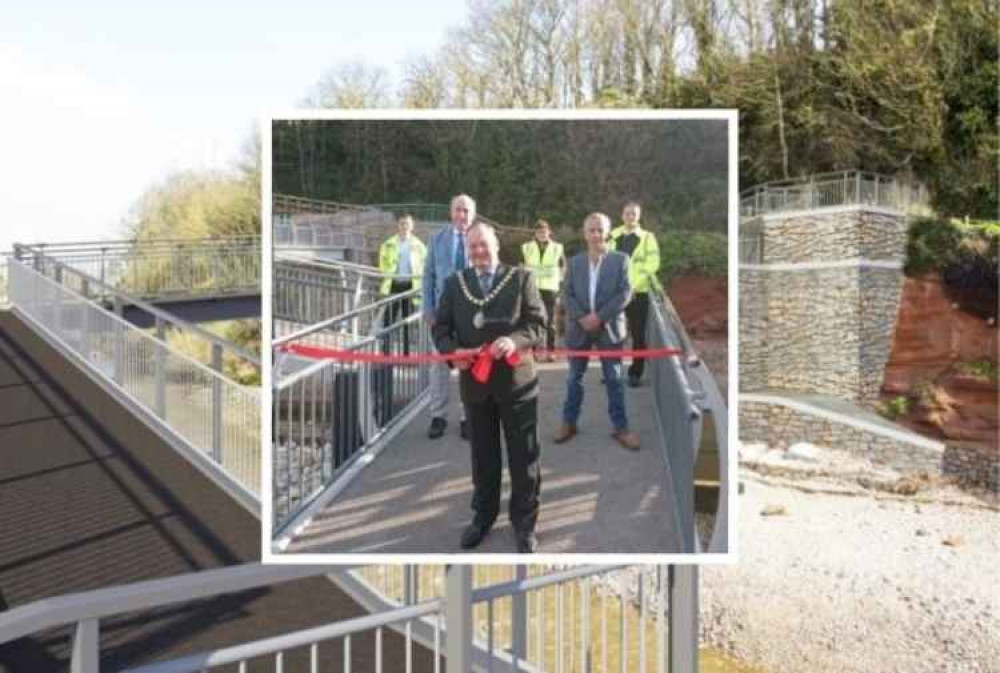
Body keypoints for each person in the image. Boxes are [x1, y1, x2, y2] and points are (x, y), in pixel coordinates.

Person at [432, 222, 546, 553]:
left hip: (518, 384)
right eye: (473, 247)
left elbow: (538, 324)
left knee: (524, 457)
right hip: (475, 385)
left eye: (484, 244)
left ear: (496, 243)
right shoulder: (455, 284)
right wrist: (453, 352)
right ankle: (483, 516)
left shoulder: (521, 278)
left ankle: (524, 523)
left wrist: (514, 340)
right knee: (483, 457)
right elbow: (441, 329)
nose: (479, 251)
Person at [554, 213, 641, 451]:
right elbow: (566, 293)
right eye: (591, 230)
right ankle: (569, 423)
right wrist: (582, 317)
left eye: (600, 230)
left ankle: (621, 428)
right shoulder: (574, 262)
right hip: (579, 328)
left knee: (614, 379)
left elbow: (625, 293)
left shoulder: (621, 260)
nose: (596, 235)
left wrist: (599, 317)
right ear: (585, 233)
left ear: (608, 233)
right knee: (574, 378)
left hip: (609, 328)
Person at [422, 194, 475, 440]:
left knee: (469, 366)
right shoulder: (436, 239)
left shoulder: (479, 238)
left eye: (466, 211)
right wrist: (428, 309)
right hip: (442, 314)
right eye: (457, 210)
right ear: (450, 212)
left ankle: (467, 417)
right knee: (439, 366)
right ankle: (438, 415)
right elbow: (429, 276)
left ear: (472, 214)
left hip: (471, 313)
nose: (461, 215)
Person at [609, 201, 660, 388]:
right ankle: (611, 370)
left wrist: (632, 286)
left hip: (638, 293)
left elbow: (653, 264)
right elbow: (604, 261)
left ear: (639, 217)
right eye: (627, 213)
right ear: (622, 215)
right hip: (615, 293)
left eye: (634, 214)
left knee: (638, 335)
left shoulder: (648, 237)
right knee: (612, 333)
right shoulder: (612, 235)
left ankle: (635, 373)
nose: (630, 216)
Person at [378, 213, 427, 354]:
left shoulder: (419, 246)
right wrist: (387, 273)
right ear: (397, 225)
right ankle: (385, 351)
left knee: (407, 321)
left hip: (411, 287)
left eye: (407, 223)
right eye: (402, 223)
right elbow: (383, 263)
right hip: (394, 284)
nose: (404, 226)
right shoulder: (389, 244)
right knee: (389, 319)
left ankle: (406, 353)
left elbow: (425, 264)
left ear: (412, 226)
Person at [520, 219, 565, 361]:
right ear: (535, 233)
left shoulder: (557, 247)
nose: (542, 234)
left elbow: (563, 267)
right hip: (532, 288)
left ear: (549, 232)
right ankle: (533, 352)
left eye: (545, 231)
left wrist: (559, 283)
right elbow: (521, 266)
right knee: (532, 320)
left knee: (550, 322)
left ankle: (551, 351)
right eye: (539, 232)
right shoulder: (526, 247)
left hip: (550, 289)